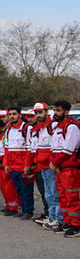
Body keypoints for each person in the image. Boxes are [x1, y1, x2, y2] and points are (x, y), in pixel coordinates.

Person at [49, 100, 80, 237]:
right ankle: (68, 221)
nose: (56, 113)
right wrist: (53, 163)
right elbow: (53, 147)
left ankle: (76, 224)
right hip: (59, 168)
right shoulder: (57, 127)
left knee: (72, 196)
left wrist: (55, 163)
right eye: (55, 110)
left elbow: (68, 150)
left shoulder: (72, 127)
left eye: (59, 110)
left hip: (69, 168)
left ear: (66, 111)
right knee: (62, 196)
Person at [4, 107, 34, 219]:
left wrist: (27, 165)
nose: (12, 116)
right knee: (18, 190)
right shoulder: (8, 130)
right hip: (13, 166)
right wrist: (6, 164)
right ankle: (22, 209)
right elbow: (7, 149)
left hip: (23, 166)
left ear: (19, 115)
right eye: (10, 114)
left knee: (26, 190)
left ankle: (28, 211)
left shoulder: (26, 128)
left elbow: (30, 148)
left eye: (14, 114)